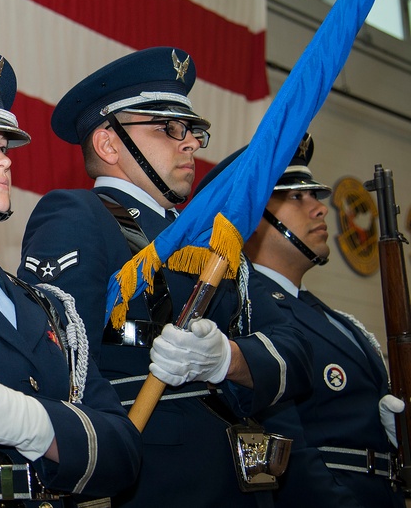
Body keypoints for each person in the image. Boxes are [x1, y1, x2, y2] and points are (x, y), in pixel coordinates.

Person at [17, 47, 312, 507]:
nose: (191, 142)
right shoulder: (80, 215)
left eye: (193, 130)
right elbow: (63, 360)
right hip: (150, 481)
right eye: (169, 128)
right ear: (109, 144)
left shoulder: (215, 240)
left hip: (237, 483)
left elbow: (295, 351)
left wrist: (227, 359)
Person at [0, 48, 142, 506]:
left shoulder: (50, 308)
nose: (4, 161)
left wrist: (38, 425)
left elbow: (123, 450)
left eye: (3, 145)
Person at [198, 135, 405, 507]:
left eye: (314, 195)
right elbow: (283, 444)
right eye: (297, 197)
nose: (320, 208)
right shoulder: (243, 314)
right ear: (250, 217)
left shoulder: (335, 319)